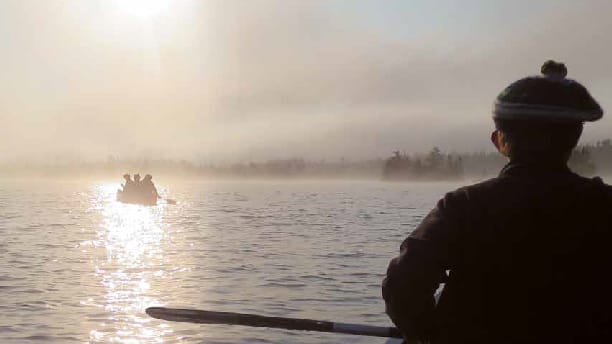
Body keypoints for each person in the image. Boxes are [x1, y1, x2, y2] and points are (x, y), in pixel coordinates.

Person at [382, 61, 612, 344]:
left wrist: (428, 334)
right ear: (574, 140)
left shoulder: (464, 207)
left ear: (498, 140)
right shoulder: (605, 206)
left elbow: (403, 286)